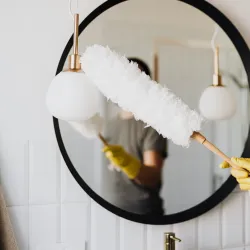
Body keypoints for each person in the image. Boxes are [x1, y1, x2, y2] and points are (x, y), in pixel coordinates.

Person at [103, 58, 167, 215]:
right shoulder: (109, 125)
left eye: (134, 78)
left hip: (143, 212)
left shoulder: (152, 124)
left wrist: (127, 162)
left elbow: (153, 178)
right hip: (109, 208)